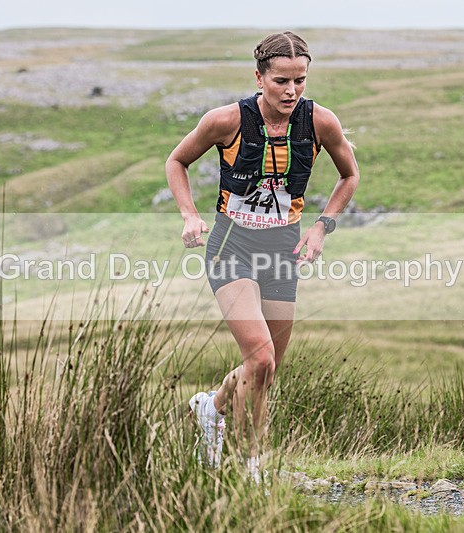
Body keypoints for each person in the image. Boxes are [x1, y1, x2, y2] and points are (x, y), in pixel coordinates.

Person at [166, 32, 359, 478]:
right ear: (259, 77)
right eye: (281, 81)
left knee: (266, 369)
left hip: (281, 248)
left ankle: (210, 409)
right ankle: (251, 467)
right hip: (230, 246)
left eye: (300, 80)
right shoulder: (226, 120)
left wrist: (321, 227)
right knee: (260, 357)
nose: (291, 91)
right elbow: (176, 161)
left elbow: (349, 175)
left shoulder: (320, 122)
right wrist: (189, 214)